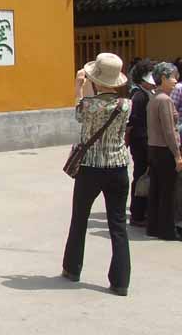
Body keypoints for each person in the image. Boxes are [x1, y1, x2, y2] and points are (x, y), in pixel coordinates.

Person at [62, 53, 132, 296]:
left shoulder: (89, 105)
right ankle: (120, 282)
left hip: (90, 168)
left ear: (95, 79)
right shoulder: (126, 105)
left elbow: (79, 114)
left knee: (79, 218)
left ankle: (72, 268)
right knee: (118, 225)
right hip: (118, 167)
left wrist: (79, 87)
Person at [146, 61, 182, 241]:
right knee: (168, 191)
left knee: (156, 189)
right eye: (172, 77)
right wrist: (177, 155)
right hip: (165, 150)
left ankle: (153, 226)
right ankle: (167, 230)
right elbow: (169, 131)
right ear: (163, 78)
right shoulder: (165, 100)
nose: (175, 80)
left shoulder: (155, 98)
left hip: (154, 148)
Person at [125, 59, 155, 227]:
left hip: (144, 141)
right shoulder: (139, 96)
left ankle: (142, 211)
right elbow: (132, 123)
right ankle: (137, 213)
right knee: (141, 176)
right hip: (141, 142)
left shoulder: (146, 93)